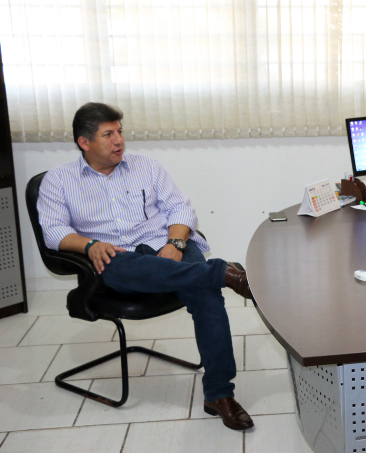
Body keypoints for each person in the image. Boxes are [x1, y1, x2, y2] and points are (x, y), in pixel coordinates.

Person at [37, 102, 254, 431]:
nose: (119, 140)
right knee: (133, 267)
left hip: (166, 245)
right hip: (116, 258)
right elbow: (53, 233)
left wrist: (176, 244)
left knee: (206, 296)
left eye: (120, 132)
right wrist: (91, 245)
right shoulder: (59, 180)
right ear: (85, 142)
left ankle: (219, 394)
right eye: (108, 134)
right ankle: (224, 274)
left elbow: (182, 210)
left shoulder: (147, 166)